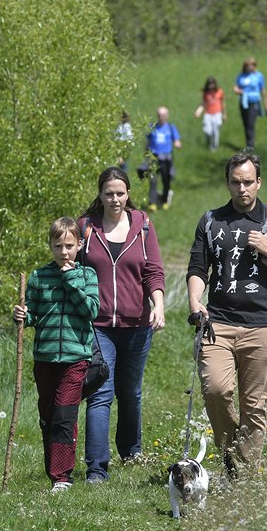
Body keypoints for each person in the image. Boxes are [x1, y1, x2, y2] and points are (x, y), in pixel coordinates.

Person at [186, 152, 267, 478]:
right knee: (215, 389)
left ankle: (243, 474)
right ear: (228, 183)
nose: (242, 188)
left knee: (254, 406)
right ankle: (232, 454)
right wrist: (194, 301)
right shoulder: (211, 221)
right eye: (236, 182)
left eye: (248, 182)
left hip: (262, 326)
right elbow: (198, 267)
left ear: (259, 182)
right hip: (218, 324)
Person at [78, 166, 165, 483]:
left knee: (130, 393)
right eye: (108, 193)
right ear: (100, 195)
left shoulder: (143, 226)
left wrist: (159, 305)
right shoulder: (86, 228)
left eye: (120, 193)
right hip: (98, 325)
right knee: (100, 392)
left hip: (138, 324)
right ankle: (97, 468)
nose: (114, 199)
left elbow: (153, 270)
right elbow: (70, 270)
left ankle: (131, 453)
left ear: (128, 194)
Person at [13, 217, 99, 494]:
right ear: (50, 246)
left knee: (64, 414)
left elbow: (91, 311)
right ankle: (53, 469)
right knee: (48, 415)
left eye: (69, 246)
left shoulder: (87, 276)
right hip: (45, 357)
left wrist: (71, 279)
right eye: (58, 246)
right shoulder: (39, 277)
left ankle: (62, 476)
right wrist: (22, 317)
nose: (63, 252)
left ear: (80, 245)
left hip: (76, 357)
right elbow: (35, 315)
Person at [145, 106, 182, 211]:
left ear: (167, 116)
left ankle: (165, 200)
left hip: (166, 158)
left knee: (166, 179)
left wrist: (177, 143)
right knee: (153, 180)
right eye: (160, 115)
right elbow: (147, 142)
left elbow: (177, 140)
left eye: (164, 115)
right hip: (154, 157)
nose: (162, 117)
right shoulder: (152, 127)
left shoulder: (171, 127)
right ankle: (152, 203)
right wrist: (146, 154)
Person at [233, 57, 267, 151]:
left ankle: (250, 146)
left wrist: (266, 104)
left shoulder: (258, 76)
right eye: (248, 66)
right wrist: (237, 91)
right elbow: (236, 87)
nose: (250, 67)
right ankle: (248, 143)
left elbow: (262, 90)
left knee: (250, 124)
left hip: (254, 102)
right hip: (243, 102)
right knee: (245, 124)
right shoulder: (241, 76)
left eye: (252, 65)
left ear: (254, 66)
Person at [194, 76, 227, 151]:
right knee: (207, 131)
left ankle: (214, 146)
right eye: (209, 84)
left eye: (212, 84)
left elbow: (223, 103)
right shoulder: (206, 93)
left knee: (216, 131)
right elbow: (203, 103)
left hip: (217, 113)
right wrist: (198, 111)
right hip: (208, 114)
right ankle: (208, 140)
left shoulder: (220, 92)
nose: (211, 86)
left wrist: (224, 114)